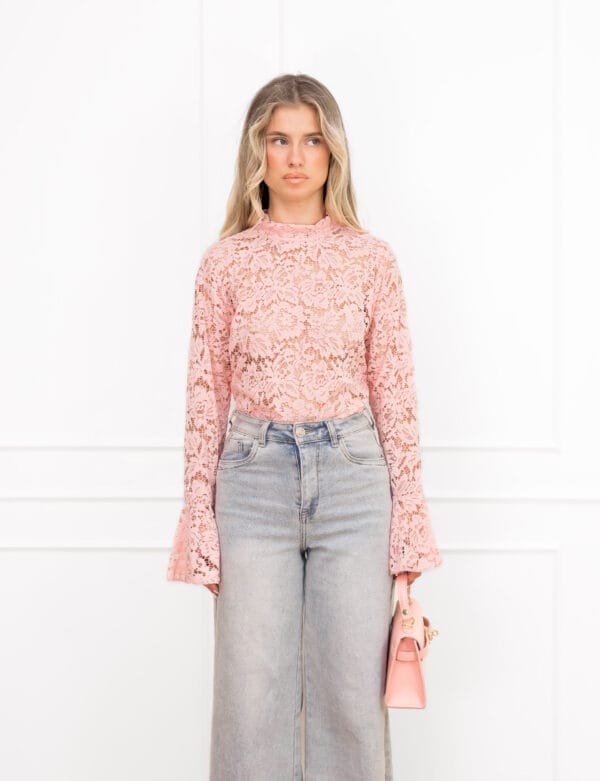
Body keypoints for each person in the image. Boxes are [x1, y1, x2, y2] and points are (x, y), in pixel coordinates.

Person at [166, 73, 443, 780]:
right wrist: (199, 517)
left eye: (313, 140)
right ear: (257, 151)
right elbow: (205, 398)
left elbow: (396, 396)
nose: (296, 156)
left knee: (351, 700)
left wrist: (409, 525)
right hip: (252, 484)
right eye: (280, 139)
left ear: (333, 152)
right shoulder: (224, 264)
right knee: (249, 698)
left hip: (353, 484)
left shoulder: (371, 260)